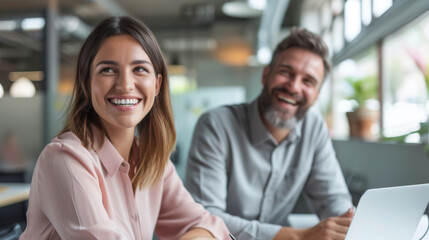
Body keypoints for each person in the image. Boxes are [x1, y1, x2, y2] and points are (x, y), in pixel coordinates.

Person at [20, 16, 230, 240]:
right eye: (108, 70)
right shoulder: (64, 159)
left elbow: (209, 226)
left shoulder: (153, 162)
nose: (125, 85)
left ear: (157, 85)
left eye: (139, 69)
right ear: (87, 82)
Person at [185, 27, 354, 240]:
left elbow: (332, 198)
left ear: (316, 96)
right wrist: (298, 236)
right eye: (286, 72)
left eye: (308, 81)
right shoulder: (216, 125)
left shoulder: (315, 128)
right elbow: (206, 217)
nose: (293, 87)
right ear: (266, 75)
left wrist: (348, 223)